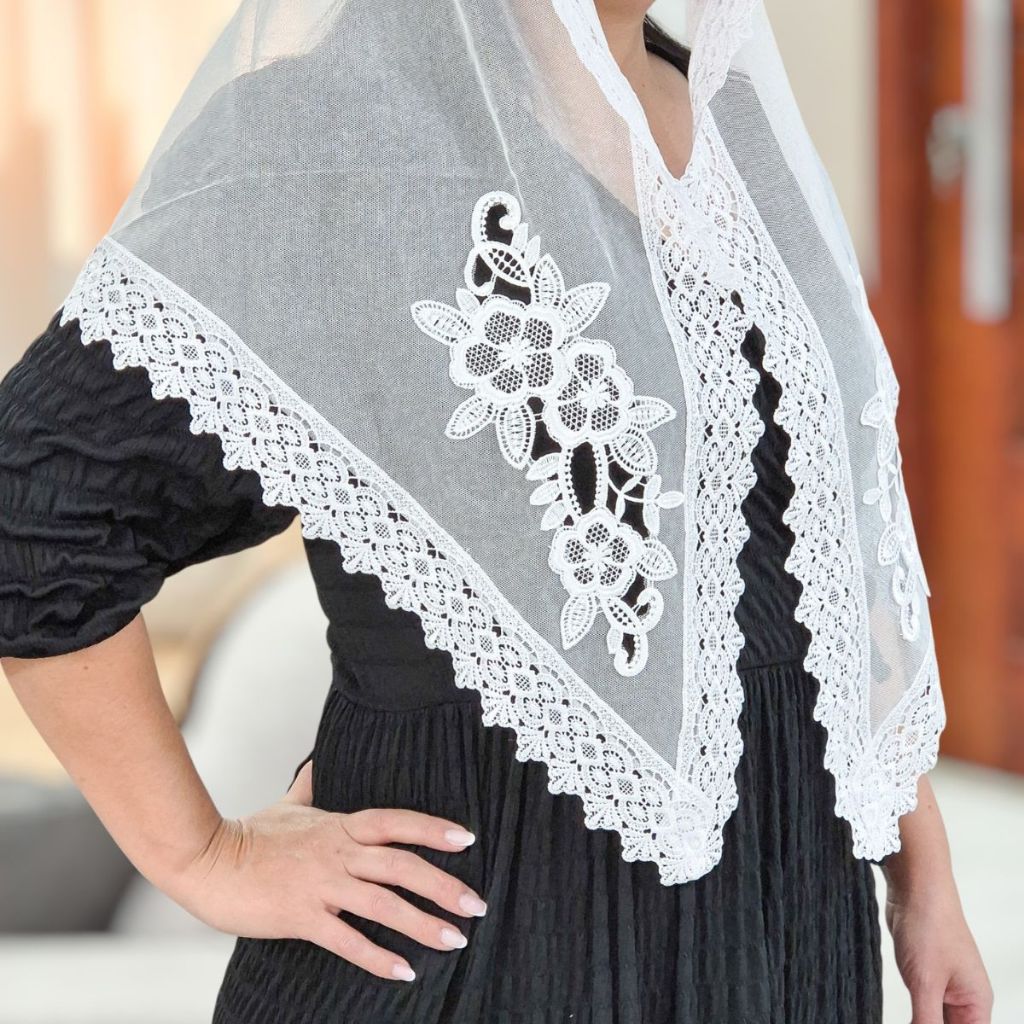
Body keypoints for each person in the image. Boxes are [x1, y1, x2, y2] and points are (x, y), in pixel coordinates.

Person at [0, 2, 993, 1022]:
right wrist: (205, 856)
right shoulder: (337, 130)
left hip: (787, 919)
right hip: (496, 940)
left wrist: (921, 870)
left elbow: (815, 538)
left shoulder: (721, 106)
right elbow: (29, 514)